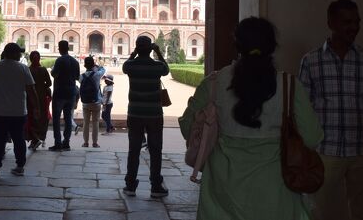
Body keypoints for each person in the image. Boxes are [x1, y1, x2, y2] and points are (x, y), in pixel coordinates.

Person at [179, 17, 323, 220]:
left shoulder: (214, 84)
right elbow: (312, 136)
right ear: (272, 47)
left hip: (222, 193)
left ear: (237, 46)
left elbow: (188, 127)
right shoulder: (288, 85)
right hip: (275, 194)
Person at [298, 0, 363, 220]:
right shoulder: (311, 62)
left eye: (357, 21)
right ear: (330, 23)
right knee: (315, 212)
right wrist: (303, 154)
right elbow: (302, 112)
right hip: (324, 152)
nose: (354, 27)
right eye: (347, 22)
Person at [0, 42, 40, 178]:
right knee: (19, 139)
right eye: (18, 52)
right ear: (12, 53)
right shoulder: (23, 68)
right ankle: (20, 167)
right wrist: (36, 107)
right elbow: (32, 90)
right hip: (18, 112)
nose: (20, 54)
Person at [121, 36, 170, 198]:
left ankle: (130, 185)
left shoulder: (131, 66)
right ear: (150, 49)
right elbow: (166, 69)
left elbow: (125, 66)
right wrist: (158, 51)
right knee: (155, 150)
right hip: (154, 114)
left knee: (133, 149)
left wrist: (134, 53)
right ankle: (156, 185)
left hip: (135, 113)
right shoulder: (156, 67)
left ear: (137, 49)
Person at [49, 40, 80, 151]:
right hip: (71, 92)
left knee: (56, 119)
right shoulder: (75, 62)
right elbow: (77, 77)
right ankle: (66, 142)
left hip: (60, 92)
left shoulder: (60, 60)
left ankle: (58, 143)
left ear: (60, 48)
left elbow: (53, 74)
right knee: (68, 119)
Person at [27, 50, 52, 150]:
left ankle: (35, 139)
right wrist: (42, 87)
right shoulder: (43, 70)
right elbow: (49, 83)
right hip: (41, 98)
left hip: (30, 98)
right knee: (40, 118)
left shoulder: (28, 70)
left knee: (31, 118)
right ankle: (39, 138)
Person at [79, 56, 106, 147]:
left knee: (86, 123)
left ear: (85, 65)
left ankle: (85, 142)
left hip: (85, 102)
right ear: (93, 65)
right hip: (96, 101)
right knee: (95, 122)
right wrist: (96, 65)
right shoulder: (97, 75)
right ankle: (95, 143)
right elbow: (103, 69)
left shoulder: (81, 76)